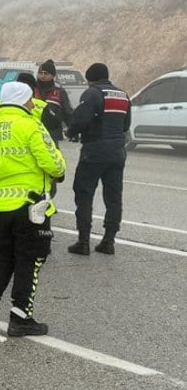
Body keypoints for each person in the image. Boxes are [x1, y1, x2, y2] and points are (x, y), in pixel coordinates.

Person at [0, 82, 66, 337]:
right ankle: (21, 317)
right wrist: (60, 170)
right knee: (30, 261)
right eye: (30, 100)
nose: (33, 104)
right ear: (23, 100)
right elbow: (52, 163)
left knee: (5, 258)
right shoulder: (31, 125)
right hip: (30, 208)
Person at [66, 63, 132, 255]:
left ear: (90, 79)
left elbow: (81, 119)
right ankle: (109, 241)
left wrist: (71, 131)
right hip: (118, 151)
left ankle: (83, 241)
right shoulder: (123, 95)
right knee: (113, 196)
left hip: (95, 150)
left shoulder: (93, 93)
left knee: (84, 193)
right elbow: (126, 124)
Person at [34, 59, 73, 143]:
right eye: (40, 73)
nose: (42, 76)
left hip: (53, 131)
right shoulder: (32, 89)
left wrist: (72, 130)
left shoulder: (59, 91)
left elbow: (67, 112)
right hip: (34, 131)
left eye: (46, 73)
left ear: (53, 75)